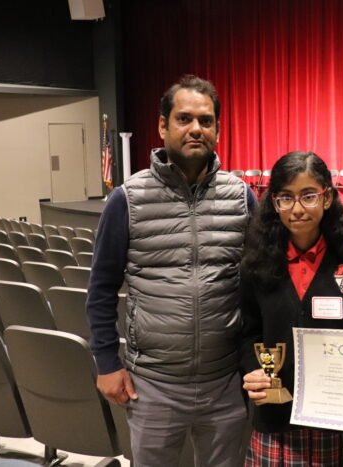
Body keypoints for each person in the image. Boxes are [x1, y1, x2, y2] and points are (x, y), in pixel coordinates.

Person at [86, 74, 256, 467]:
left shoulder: (242, 197)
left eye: (206, 120)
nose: (196, 128)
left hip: (226, 383)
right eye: (184, 118)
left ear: (217, 129)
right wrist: (107, 363)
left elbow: (260, 286)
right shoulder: (125, 200)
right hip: (153, 386)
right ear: (162, 126)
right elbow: (101, 289)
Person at [240, 151, 343, 466]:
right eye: (286, 198)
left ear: (327, 197)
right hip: (275, 424)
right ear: (274, 202)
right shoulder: (255, 266)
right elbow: (248, 331)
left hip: (335, 424)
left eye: (308, 196)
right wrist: (252, 370)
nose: (297, 209)